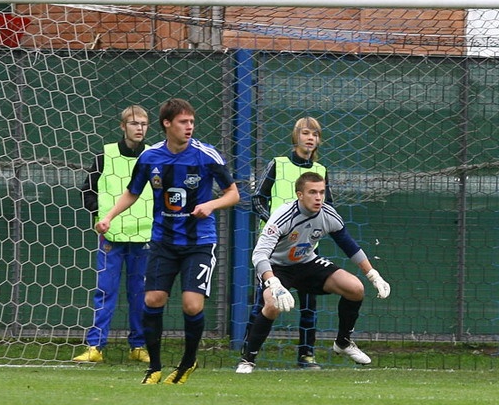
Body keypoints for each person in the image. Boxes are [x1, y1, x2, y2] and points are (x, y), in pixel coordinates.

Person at [95, 98, 240, 385]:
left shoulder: (206, 155)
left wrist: (211, 205)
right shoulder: (150, 158)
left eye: (192, 122)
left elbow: (233, 193)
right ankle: (154, 367)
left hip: (199, 242)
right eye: (183, 122)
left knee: (191, 305)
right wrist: (109, 216)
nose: (189, 127)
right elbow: (133, 192)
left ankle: (187, 362)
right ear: (167, 124)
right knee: (153, 299)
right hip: (163, 241)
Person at [235, 171, 390, 374]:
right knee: (272, 305)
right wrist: (274, 283)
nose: (318, 197)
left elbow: (350, 246)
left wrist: (373, 275)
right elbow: (259, 255)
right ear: (300, 195)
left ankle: (343, 342)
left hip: (307, 262)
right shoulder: (283, 216)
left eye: (321, 192)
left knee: (355, 288)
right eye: (312, 192)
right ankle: (247, 360)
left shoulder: (328, 214)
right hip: (277, 268)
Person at [249, 116, 332, 370]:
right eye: (305, 133)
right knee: (265, 301)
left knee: (309, 304)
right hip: (274, 249)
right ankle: (248, 353)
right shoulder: (278, 164)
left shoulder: (321, 171)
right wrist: (276, 225)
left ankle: (306, 354)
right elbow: (257, 199)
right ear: (295, 136)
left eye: (315, 134)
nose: (310, 138)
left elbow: (329, 209)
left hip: (306, 249)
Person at [74, 105, 154, 364]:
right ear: (123, 126)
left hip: (144, 237)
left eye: (143, 124)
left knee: (140, 294)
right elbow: (88, 191)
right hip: (111, 236)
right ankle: (95, 346)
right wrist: (99, 215)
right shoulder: (105, 156)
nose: (139, 128)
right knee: (105, 291)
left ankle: (138, 346)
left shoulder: (154, 156)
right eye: (134, 123)